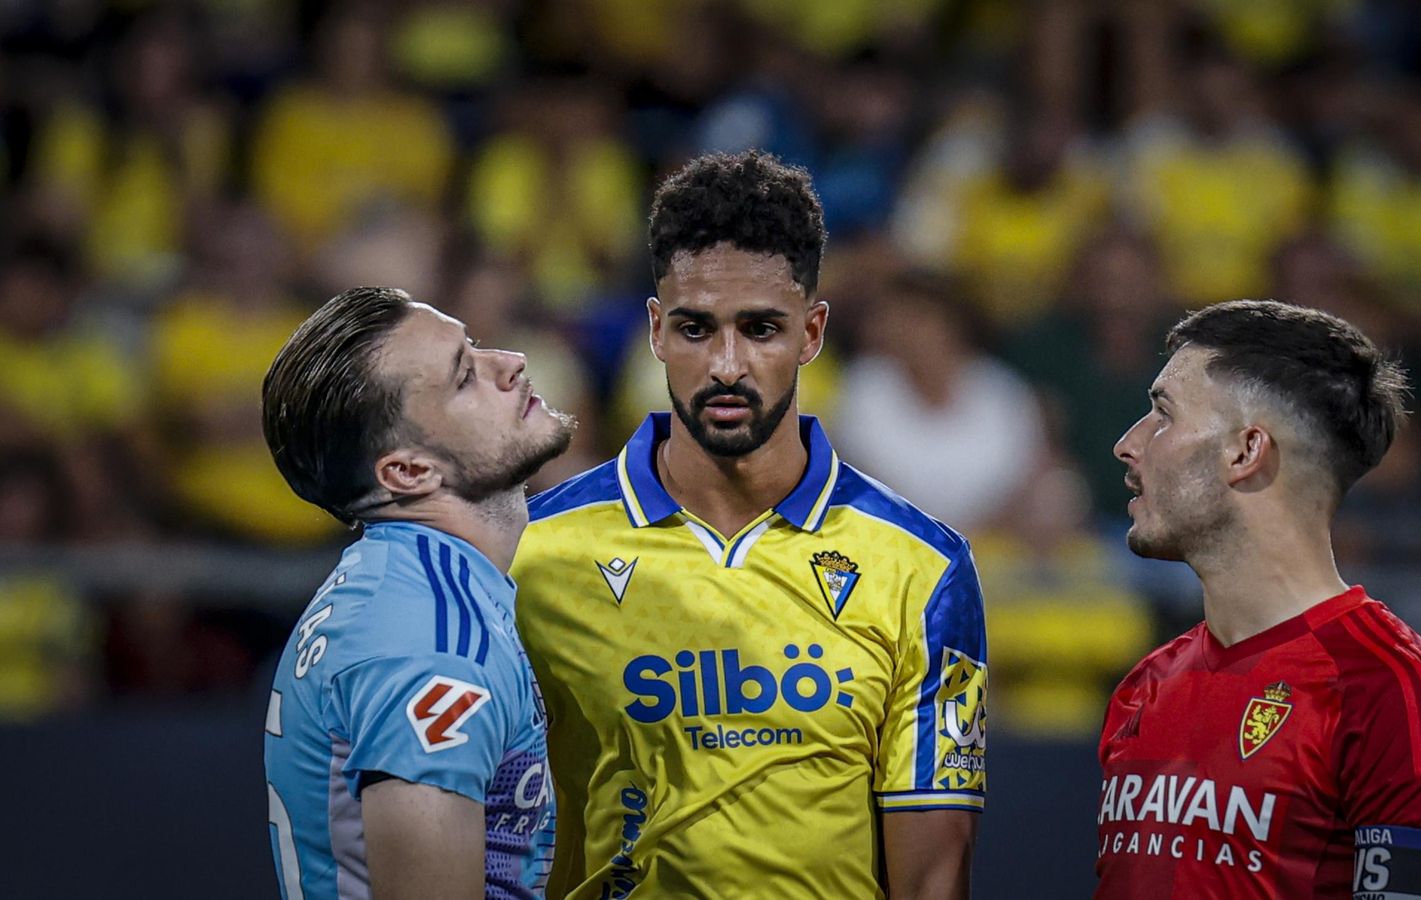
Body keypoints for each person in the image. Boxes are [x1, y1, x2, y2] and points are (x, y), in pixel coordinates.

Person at [510, 151, 987, 899]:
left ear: (812, 333)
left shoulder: (925, 569)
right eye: (696, 329)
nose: (727, 366)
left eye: (761, 329)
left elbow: (933, 877)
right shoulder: (530, 552)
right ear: (656, 331)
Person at [1097, 299, 1421, 898]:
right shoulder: (1145, 687)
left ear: (1246, 451)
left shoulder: (1396, 696)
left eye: (1163, 414)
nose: (1127, 445)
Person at [260, 286, 576, 899]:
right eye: (465, 376)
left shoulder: (408, 587)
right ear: (409, 471)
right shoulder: (431, 645)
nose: (510, 362)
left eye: (475, 345)